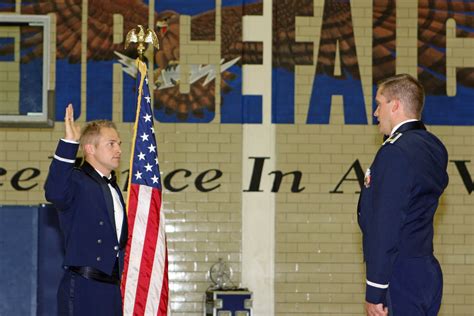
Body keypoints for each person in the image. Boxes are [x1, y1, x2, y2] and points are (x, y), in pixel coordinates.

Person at [357, 74, 449, 316]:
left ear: (395, 105)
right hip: (426, 271)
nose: (376, 113)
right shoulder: (434, 147)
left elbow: (385, 224)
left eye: (379, 104)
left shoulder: (395, 152)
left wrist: (375, 289)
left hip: (399, 275)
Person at [45, 104, 128, 315]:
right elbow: (54, 192)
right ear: (90, 149)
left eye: (119, 144)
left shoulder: (113, 187)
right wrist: (69, 143)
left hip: (111, 288)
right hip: (84, 286)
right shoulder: (76, 180)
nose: (118, 149)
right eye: (111, 144)